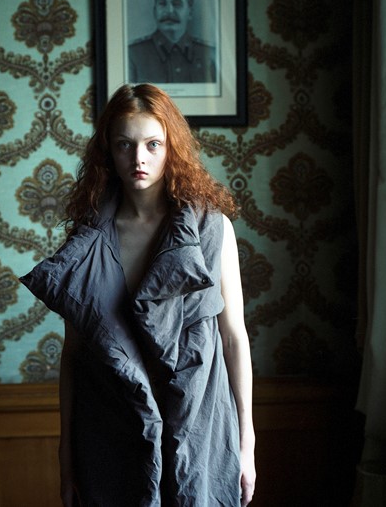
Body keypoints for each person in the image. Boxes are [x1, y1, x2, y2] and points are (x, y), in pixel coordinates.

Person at [20, 84, 256, 506]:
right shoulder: (89, 241)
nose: (138, 158)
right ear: (108, 151)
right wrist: (66, 455)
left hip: (200, 426)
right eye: (124, 144)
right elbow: (73, 354)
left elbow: (234, 338)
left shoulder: (212, 229)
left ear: (172, 148)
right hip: (109, 433)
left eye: (152, 144)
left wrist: (246, 443)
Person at [128, 0, 217, 83]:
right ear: (155, 11)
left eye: (177, 4)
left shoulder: (210, 55)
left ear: (190, 12)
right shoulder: (132, 55)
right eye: (162, 4)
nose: (169, 11)